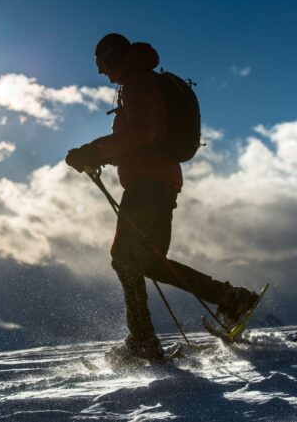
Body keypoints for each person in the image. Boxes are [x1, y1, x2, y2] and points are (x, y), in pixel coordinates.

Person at [65, 33, 258, 362]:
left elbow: (142, 132)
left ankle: (141, 341)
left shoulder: (137, 83)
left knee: (125, 257)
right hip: (160, 179)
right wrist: (98, 158)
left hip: (147, 183)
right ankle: (232, 298)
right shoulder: (141, 81)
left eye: (100, 64)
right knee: (149, 260)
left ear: (112, 58)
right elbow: (141, 140)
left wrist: (92, 151)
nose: (100, 72)